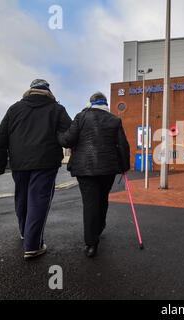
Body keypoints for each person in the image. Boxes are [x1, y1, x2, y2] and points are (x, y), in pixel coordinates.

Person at [0, 79, 72, 259]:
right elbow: (69, 135)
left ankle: (24, 232)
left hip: (19, 163)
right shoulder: (57, 109)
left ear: (30, 91)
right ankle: (33, 245)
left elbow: (1, 137)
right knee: (39, 199)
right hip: (45, 161)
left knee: (22, 196)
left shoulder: (14, 109)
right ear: (48, 92)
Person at [57, 92, 130, 258]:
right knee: (102, 198)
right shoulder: (114, 120)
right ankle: (99, 227)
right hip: (108, 168)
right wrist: (124, 166)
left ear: (91, 103)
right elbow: (123, 145)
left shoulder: (81, 117)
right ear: (106, 104)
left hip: (84, 168)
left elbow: (68, 140)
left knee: (90, 203)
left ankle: (91, 243)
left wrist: (58, 134)